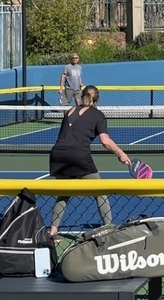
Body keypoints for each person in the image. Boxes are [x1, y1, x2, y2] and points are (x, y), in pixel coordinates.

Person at [48, 84, 131, 240]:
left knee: (63, 195)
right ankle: (109, 228)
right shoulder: (97, 115)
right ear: (97, 99)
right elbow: (105, 140)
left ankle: (52, 232)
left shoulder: (69, 111)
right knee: (100, 192)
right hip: (78, 155)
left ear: (82, 96)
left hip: (57, 154)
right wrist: (121, 153)